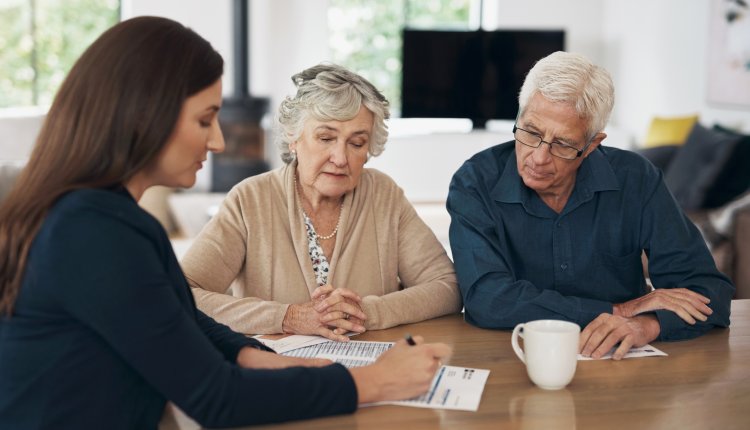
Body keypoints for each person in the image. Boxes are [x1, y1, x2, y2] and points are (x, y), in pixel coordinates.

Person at [0, 17, 451, 429]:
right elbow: (216, 397)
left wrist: (259, 356)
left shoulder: (108, 218)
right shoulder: (94, 233)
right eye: (205, 120)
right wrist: (375, 382)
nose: (217, 141)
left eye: (356, 143)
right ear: (144, 115)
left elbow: (180, 317)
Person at [447, 51, 734, 360]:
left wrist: (647, 325)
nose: (539, 157)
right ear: (519, 116)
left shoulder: (636, 179)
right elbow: (487, 299)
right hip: (513, 358)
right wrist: (620, 310)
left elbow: (708, 291)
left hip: (622, 365)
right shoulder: (475, 182)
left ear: (592, 144)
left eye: (563, 144)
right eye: (531, 132)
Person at [182, 63, 462, 341]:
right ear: (294, 138)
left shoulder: (384, 195)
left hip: (370, 368)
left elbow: (447, 287)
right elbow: (182, 294)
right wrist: (287, 317)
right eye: (326, 138)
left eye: (356, 143)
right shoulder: (249, 199)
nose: (340, 158)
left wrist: (366, 312)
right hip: (272, 372)